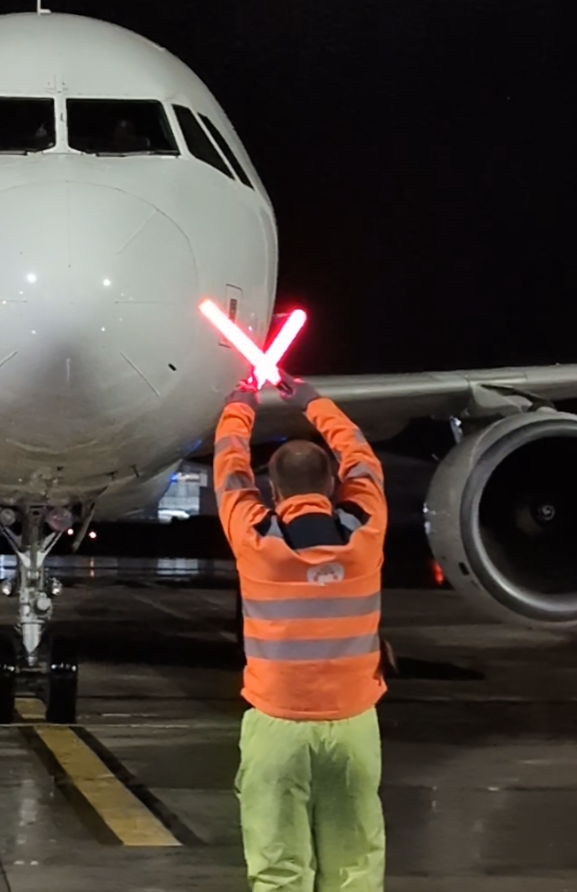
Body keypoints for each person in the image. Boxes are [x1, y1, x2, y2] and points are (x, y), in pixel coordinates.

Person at [215, 371, 387, 891]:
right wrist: (313, 401)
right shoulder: (366, 530)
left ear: (272, 488)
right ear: (333, 483)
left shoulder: (256, 539)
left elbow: (229, 467)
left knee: (278, 868)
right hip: (353, 723)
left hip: (277, 724)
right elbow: (361, 457)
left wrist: (241, 403)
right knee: (355, 867)